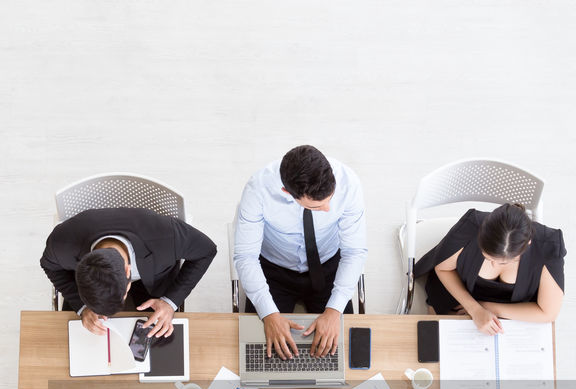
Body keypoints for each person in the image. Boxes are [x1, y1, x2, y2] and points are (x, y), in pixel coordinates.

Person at [233, 145, 367, 359]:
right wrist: (269, 313)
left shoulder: (348, 182)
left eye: (329, 199)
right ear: (287, 192)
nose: (327, 210)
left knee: (344, 354)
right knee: (262, 353)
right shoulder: (258, 189)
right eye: (315, 207)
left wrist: (333, 311)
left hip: (327, 265)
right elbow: (246, 257)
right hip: (274, 270)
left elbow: (354, 251)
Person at [40, 207, 217, 338]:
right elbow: (48, 265)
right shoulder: (62, 246)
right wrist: (82, 307)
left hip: (157, 279)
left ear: (128, 271)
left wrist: (170, 302)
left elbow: (207, 250)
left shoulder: (166, 237)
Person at [413, 203, 566, 334]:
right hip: (460, 294)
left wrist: (486, 308)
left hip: (515, 310)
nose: (494, 265)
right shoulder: (471, 225)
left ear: (528, 244)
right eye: (488, 257)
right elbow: (443, 269)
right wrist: (474, 309)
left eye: (504, 262)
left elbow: (548, 312)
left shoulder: (549, 245)